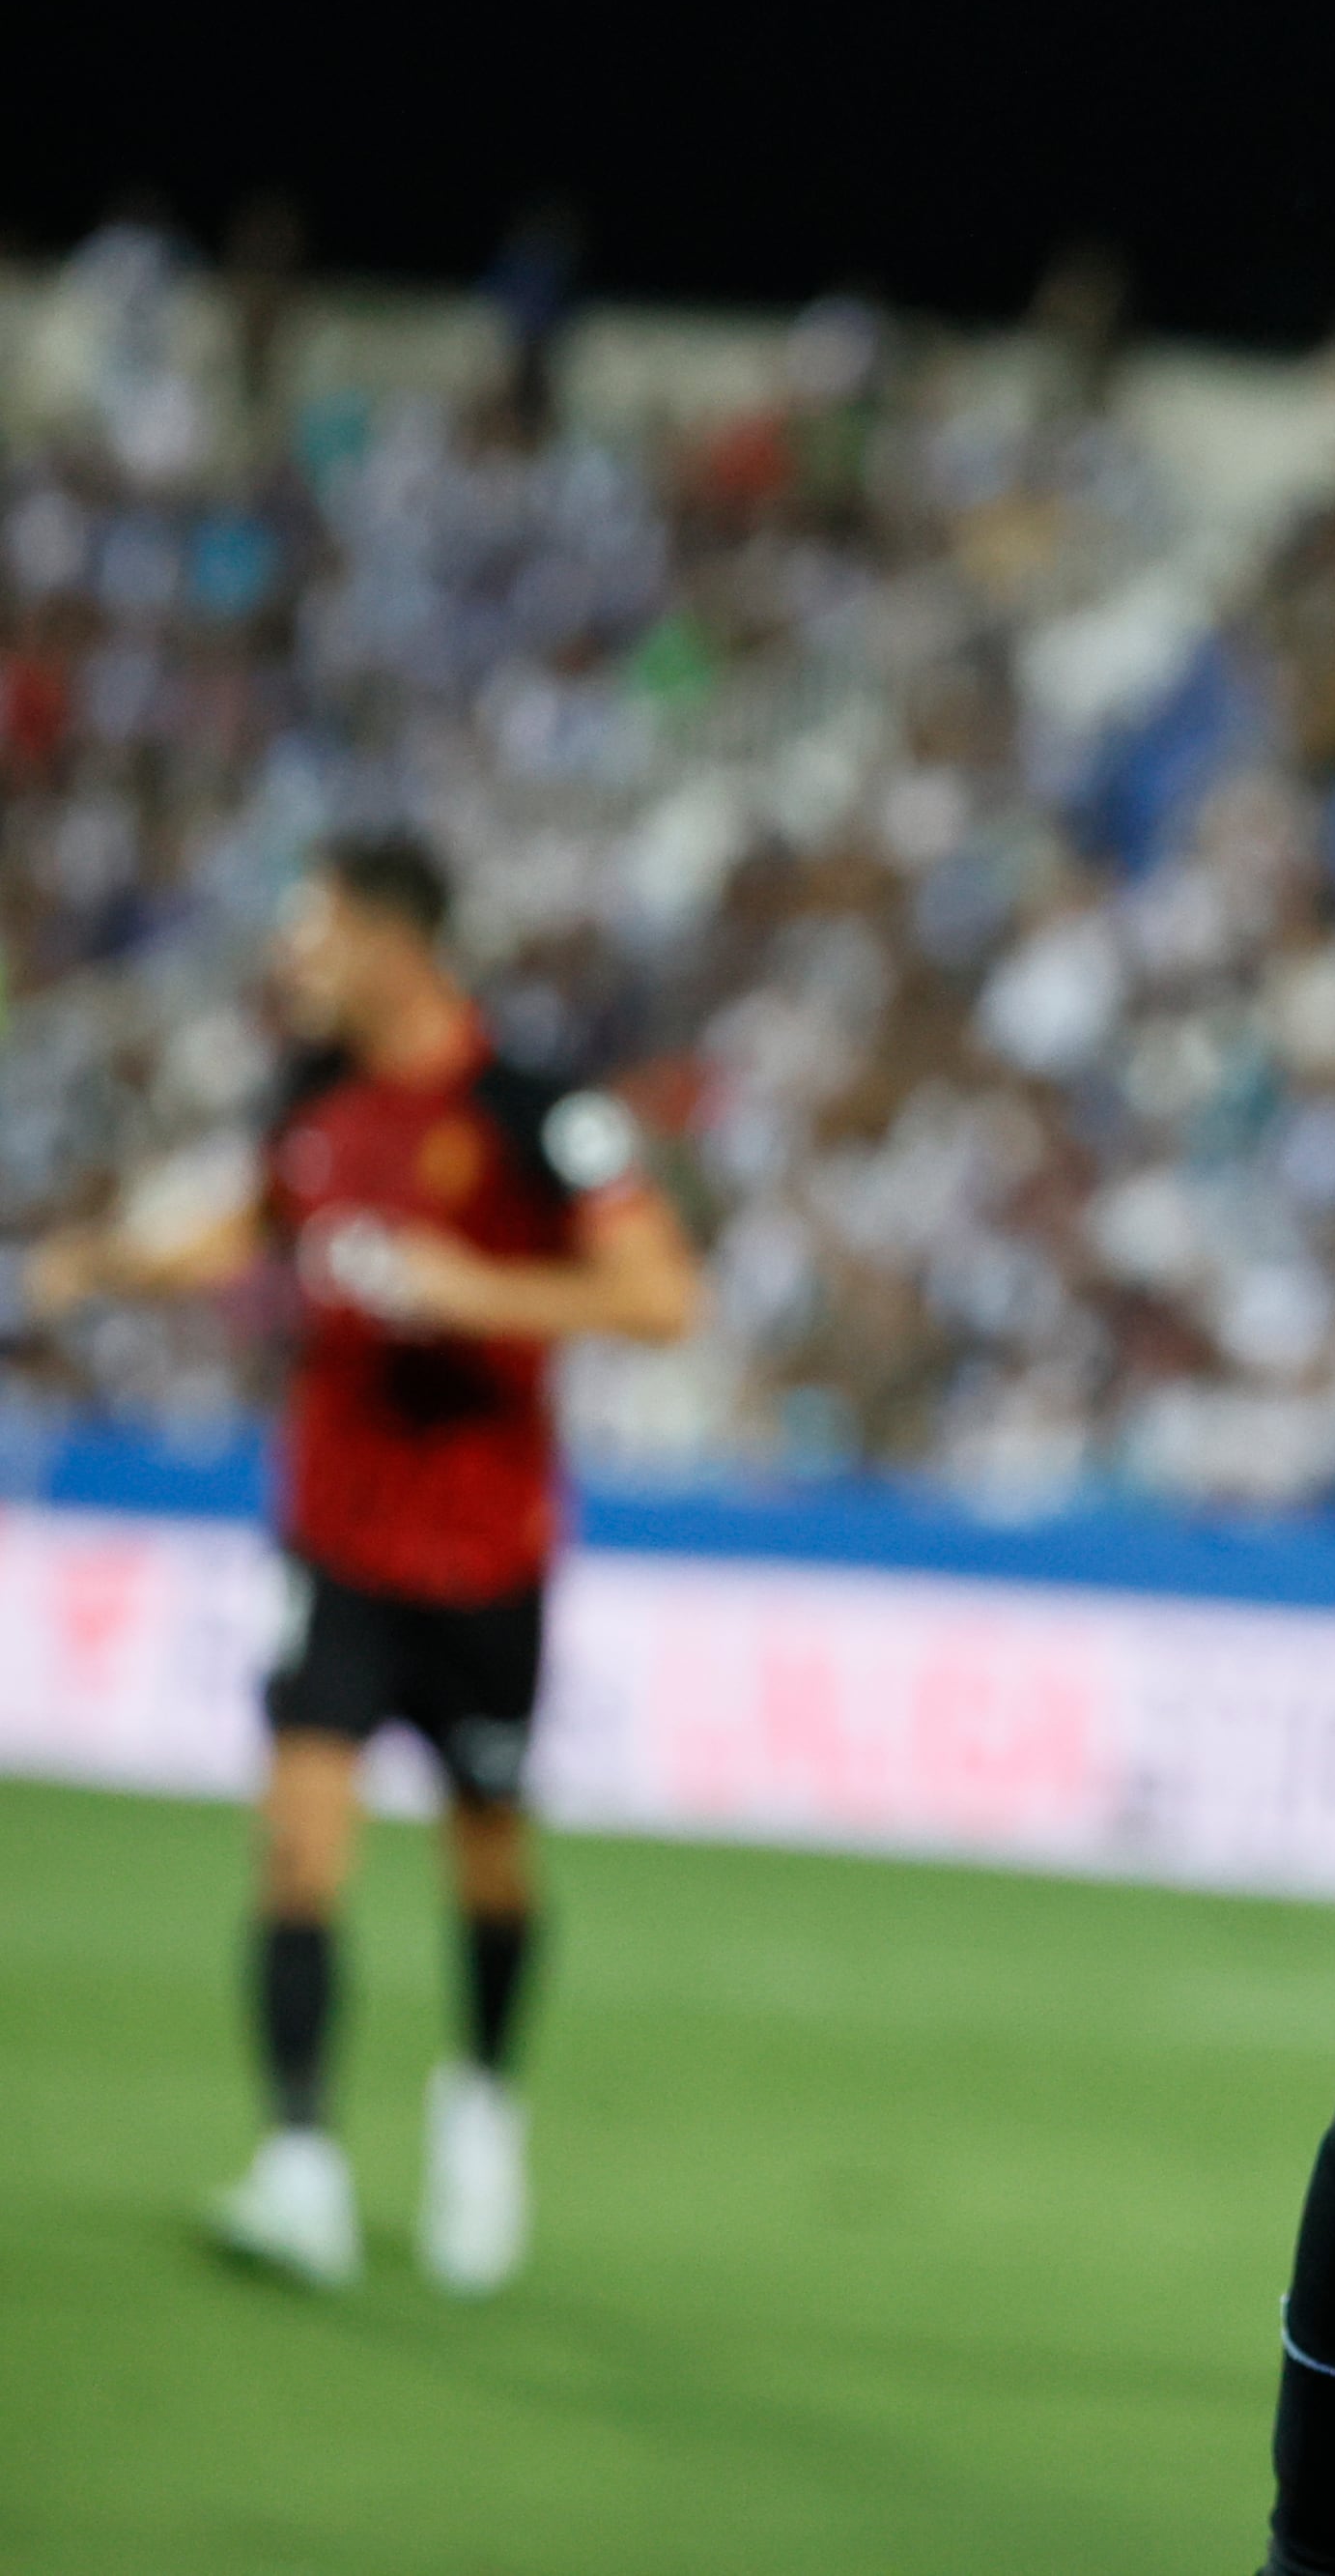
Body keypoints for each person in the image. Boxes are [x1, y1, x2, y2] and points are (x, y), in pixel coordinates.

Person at [14, 831, 701, 2294]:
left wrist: (476, 1290)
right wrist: (104, 1263)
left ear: (398, 942)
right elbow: (253, 1232)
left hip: (487, 1555)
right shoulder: (310, 1094)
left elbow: (661, 1294)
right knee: (298, 1840)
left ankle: (479, 2109)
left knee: (490, 1856)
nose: (293, 955)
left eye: (316, 928)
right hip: (335, 1541)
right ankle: (303, 2163)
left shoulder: (536, 1115)